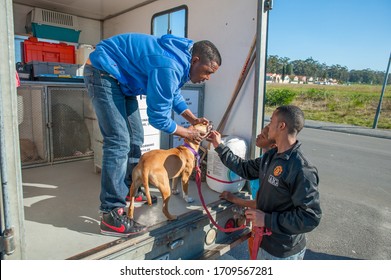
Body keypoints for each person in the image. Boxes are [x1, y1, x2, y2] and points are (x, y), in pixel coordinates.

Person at [83, 33, 221, 237]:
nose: (207, 77)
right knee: (119, 141)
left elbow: (172, 93)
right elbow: (158, 118)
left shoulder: (181, 59)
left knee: (135, 137)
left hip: (123, 82)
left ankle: (130, 189)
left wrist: (192, 119)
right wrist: (187, 132)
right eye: (208, 72)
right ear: (196, 60)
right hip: (103, 72)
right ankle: (111, 213)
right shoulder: (170, 64)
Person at [207, 105, 321, 260]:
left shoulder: (301, 168)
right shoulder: (271, 157)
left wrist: (267, 219)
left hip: (282, 252)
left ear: (281, 126)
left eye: (271, 121)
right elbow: (244, 168)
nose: (268, 126)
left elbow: (310, 217)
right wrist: (219, 146)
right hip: (264, 243)